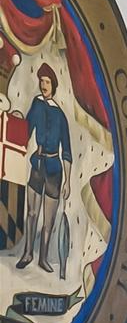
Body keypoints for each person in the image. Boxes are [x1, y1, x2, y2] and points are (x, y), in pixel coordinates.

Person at [17, 63, 69, 274]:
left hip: (55, 170)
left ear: (53, 85)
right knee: (31, 213)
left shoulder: (61, 115)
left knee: (48, 220)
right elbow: (26, 129)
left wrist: (67, 181)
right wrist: (16, 122)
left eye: (47, 82)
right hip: (37, 165)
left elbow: (67, 150)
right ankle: (28, 253)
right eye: (41, 81)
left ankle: (43, 258)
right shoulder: (37, 105)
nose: (43, 85)